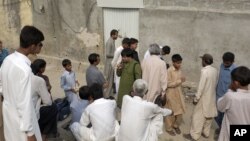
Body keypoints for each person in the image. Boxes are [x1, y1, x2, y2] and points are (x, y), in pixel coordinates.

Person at [0, 25, 44, 141]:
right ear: (32, 46)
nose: (41, 48)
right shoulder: (24, 69)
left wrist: (9, 98)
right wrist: (30, 133)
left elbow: (1, 86)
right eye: (40, 45)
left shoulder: (7, 60)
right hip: (21, 122)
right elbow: (24, 104)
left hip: (9, 114)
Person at [183, 54, 218, 141]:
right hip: (212, 96)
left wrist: (196, 99)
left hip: (203, 98)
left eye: (202, 60)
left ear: (205, 61)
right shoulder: (215, 70)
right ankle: (206, 133)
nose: (201, 62)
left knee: (197, 117)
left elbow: (201, 87)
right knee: (209, 116)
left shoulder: (204, 71)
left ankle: (194, 136)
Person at [217, 66, 250, 141]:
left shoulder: (230, 96)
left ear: (235, 83)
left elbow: (220, 106)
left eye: (231, 80)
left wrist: (229, 90)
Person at [31, 62, 58, 141]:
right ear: (41, 68)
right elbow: (48, 101)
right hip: (33, 110)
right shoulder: (40, 79)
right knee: (53, 107)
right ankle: (44, 135)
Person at [215, 52, 236, 132]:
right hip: (218, 94)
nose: (225, 64)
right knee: (216, 114)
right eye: (224, 62)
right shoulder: (221, 65)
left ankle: (223, 131)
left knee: (225, 116)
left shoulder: (235, 70)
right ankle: (221, 127)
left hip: (227, 96)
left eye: (227, 63)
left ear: (232, 61)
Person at [165, 54, 186, 136]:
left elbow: (180, 81)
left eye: (180, 63)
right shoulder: (169, 71)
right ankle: (169, 128)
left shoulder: (179, 69)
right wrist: (180, 81)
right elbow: (168, 84)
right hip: (171, 94)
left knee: (180, 112)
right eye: (178, 63)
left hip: (179, 93)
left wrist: (181, 81)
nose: (179, 65)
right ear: (173, 62)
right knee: (171, 113)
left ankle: (176, 125)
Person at [104, 29, 118, 97]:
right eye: (116, 35)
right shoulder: (109, 42)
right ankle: (106, 96)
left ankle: (110, 94)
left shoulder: (112, 41)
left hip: (112, 63)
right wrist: (116, 54)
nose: (117, 36)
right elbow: (107, 54)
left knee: (111, 80)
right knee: (109, 79)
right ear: (112, 35)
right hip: (109, 63)